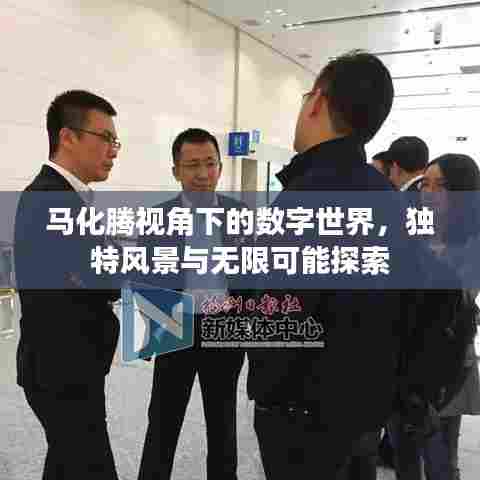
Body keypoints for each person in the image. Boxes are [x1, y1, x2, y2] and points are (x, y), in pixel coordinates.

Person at [246, 50, 410, 479]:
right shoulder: (390, 200)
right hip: (365, 411)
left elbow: (279, 320)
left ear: (317, 101)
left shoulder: (305, 198)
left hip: (303, 416)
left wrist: (267, 392)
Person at [14, 90, 121, 479]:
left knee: (65, 463)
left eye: (116, 141)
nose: (113, 150)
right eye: (105, 138)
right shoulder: (50, 199)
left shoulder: (68, 196)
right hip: (62, 372)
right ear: (68, 137)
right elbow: (104, 278)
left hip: (69, 366)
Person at [137, 128, 246, 480]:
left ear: (220, 168)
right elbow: (144, 279)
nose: (202, 173)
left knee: (223, 422)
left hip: (224, 328)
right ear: (176, 171)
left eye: (210, 163)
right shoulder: (157, 219)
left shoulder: (240, 215)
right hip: (175, 326)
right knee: (163, 421)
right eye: (192, 165)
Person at [420, 154, 480, 480]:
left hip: (448, 362)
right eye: (425, 184)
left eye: (440, 186)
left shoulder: (472, 242)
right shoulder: (415, 231)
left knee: (441, 454)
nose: (429, 193)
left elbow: (462, 295)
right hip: (407, 359)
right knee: (405, 451)